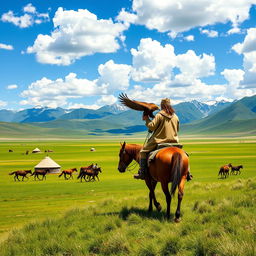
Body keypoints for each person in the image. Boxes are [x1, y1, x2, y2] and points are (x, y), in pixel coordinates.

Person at [134, 98, 193, 181]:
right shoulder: (175, 116)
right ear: (169, 105)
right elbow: (177, 129)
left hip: (159, 141)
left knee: (143, 152)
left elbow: (152, 126)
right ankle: (187, 173)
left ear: (162, 105)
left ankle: (143, 173)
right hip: (175, 142)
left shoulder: (159, 115)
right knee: (184, 155)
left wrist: (146, 119)